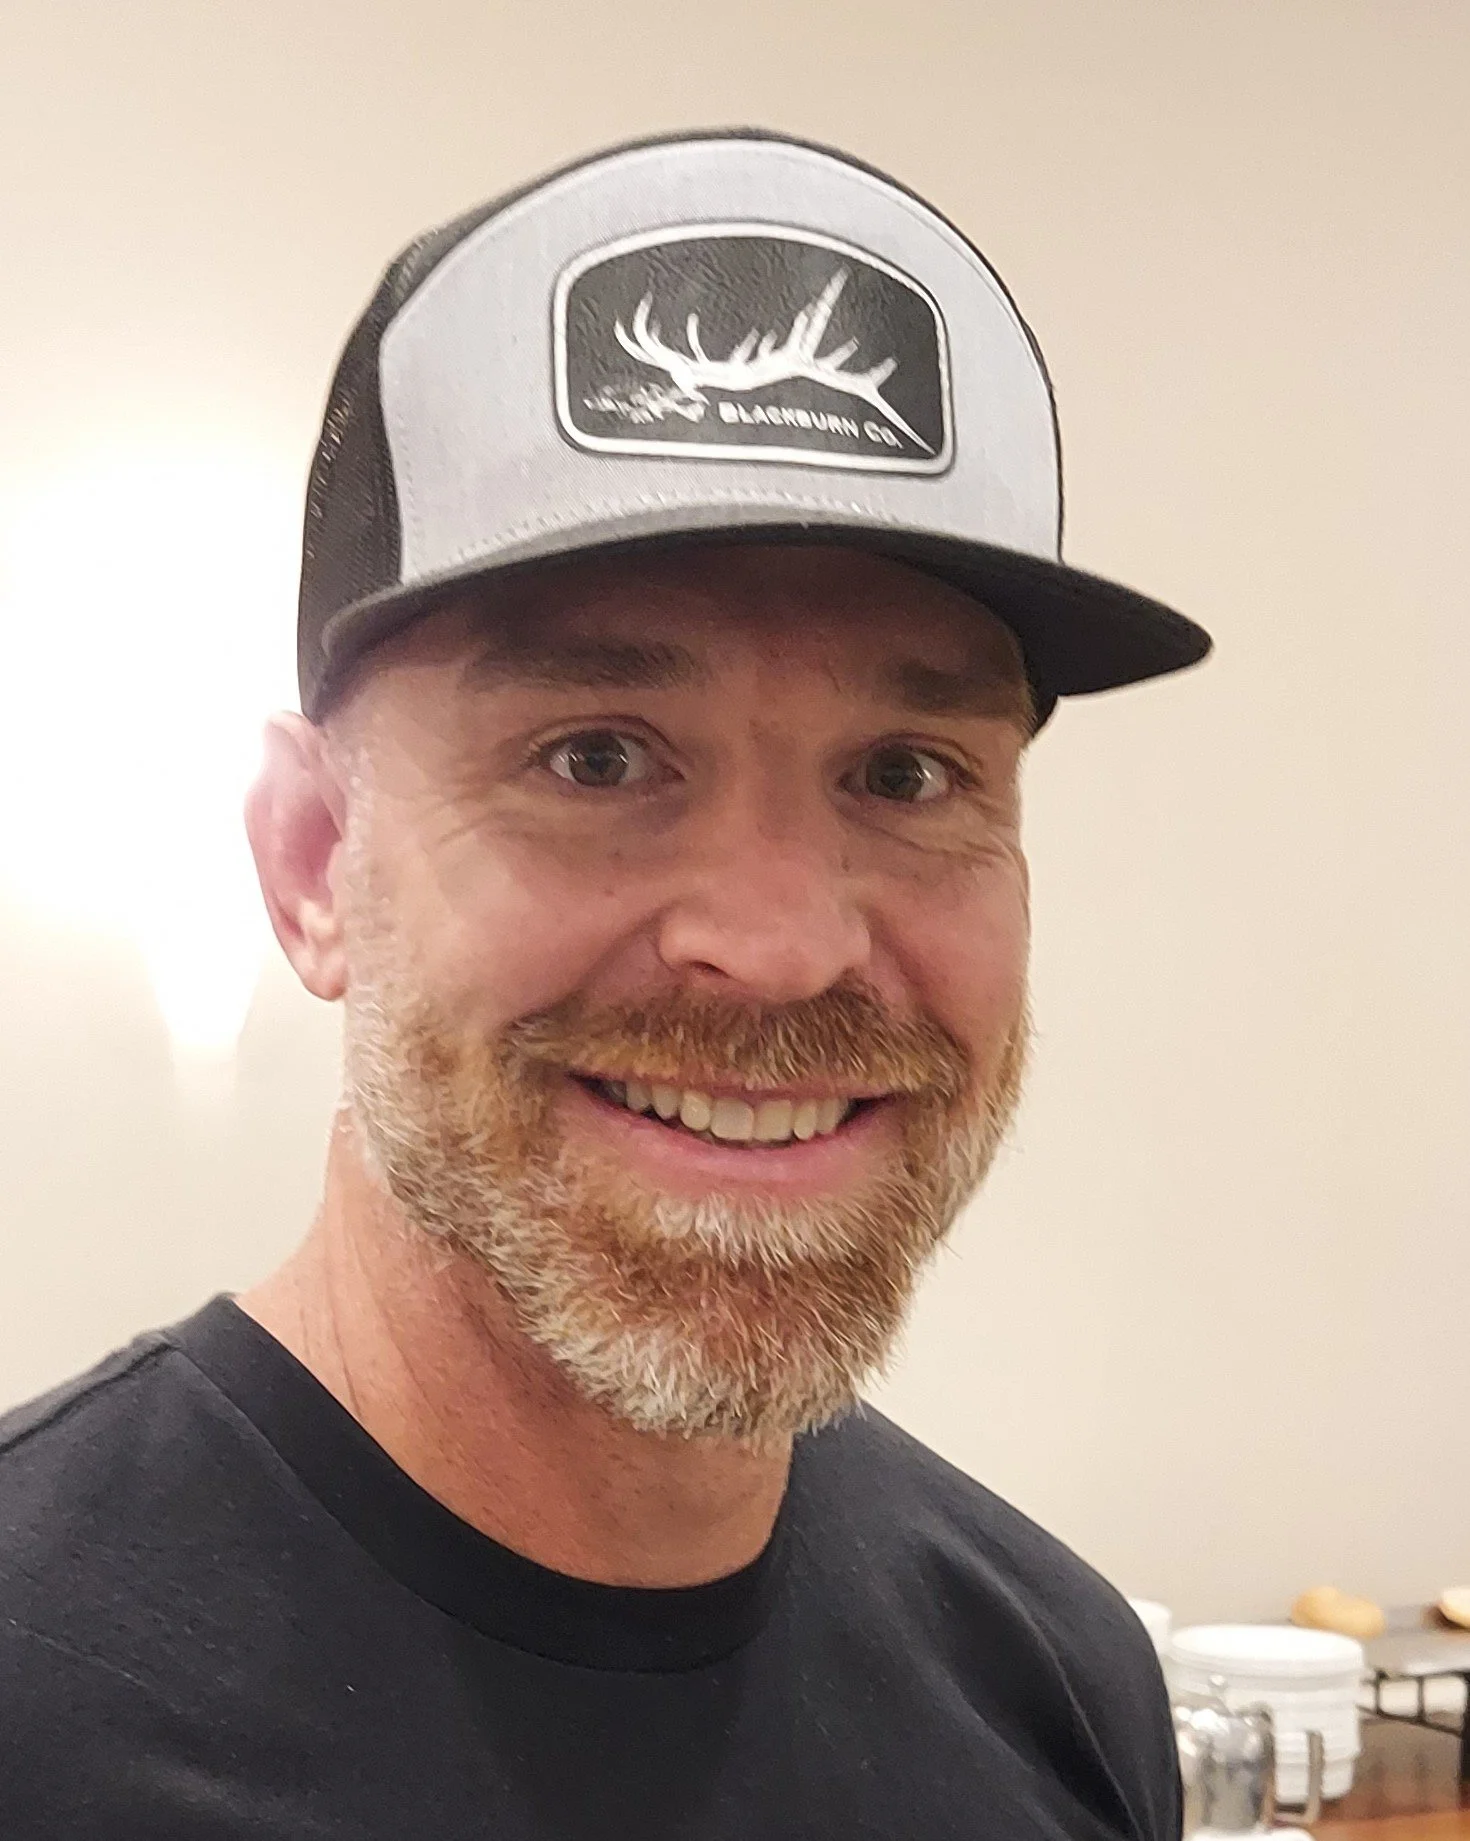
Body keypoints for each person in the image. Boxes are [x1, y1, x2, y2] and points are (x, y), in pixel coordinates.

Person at [0, 131, 1210, 1838]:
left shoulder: (1057, 1685)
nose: (782, 943)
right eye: (593, 756)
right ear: (308, 861)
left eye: (908, 775)